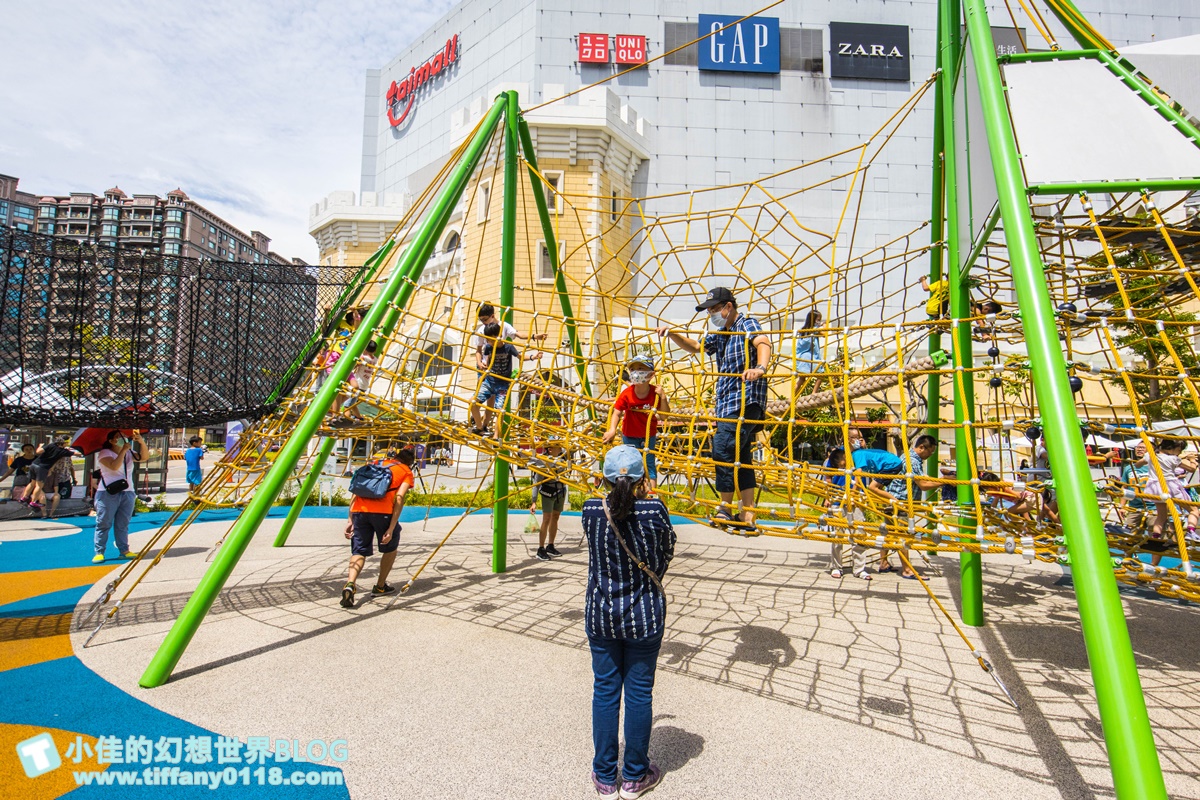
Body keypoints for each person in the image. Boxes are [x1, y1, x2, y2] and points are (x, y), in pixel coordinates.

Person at [581, 446, 675, 800]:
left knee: (605, 690)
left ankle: (606, 777)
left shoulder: (592, 509)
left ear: (603, 478)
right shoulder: (655, 510)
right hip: (644, 615)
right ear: (643, 480)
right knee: (639, 693)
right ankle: (634, 776)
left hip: (602, 613)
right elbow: (667, 550)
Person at [656, 286, 772, 530]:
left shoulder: (745, 324)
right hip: (728, 402)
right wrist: (672, 334)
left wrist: (760, 368)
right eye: (709, 311)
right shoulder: (721, 333)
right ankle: (748, 515)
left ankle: (725, 508)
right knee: (741, 455)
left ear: (728, 307)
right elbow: (697, 347)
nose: (711, 314)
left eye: (714, 309)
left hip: (745, 398)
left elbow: (762, 342)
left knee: (722, 448)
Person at [340, 447, 416, 608]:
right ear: (410, 462)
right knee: (390, 548)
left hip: (360, 511)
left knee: (359, 550)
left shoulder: (376, 463)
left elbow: (356, 489)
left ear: (395, 456)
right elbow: (400, 497)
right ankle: (380, 586)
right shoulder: (405, 471)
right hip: (384, 513)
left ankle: (350, 584)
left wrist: (350, 518)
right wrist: (391, 527)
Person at [601, 354, 672, 493]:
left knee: (649, 463)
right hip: (629, 435)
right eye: (633, 369)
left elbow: (664, 415)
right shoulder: (627, 393)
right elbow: (617, 412)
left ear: (651, 374)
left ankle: (650, 493)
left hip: (648, 436)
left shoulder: (654, 393)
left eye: (640, 368)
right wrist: (612, 430)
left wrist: (663, 397)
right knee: (629, 463)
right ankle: (630, 491)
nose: (635, 372)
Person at [880, 434, 941, 579]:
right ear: (921, 447)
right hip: (901, 503)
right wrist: (944, 482)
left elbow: (921, 479)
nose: (931, 455)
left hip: (891, 501)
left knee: (888, 534)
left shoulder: (906, 457)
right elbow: (924, 485)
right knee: (903, 536)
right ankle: (906, 569)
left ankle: (883, 563)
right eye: (930, 451)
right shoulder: (912, 461)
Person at [94, 429, 147, 563]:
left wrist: (141, 442)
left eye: (123, 436)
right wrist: (123, 450)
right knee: (104, 522)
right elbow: (113, 466)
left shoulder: (130, 452)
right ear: (111, 441)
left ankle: (124, 550)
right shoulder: (104, 453)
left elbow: (144, 457)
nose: (122, 438)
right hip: (108, 493)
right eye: (118, 437)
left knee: (123, 523)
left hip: (128, 491)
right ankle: (99, 551)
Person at [822, 448, 869, 580]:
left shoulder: (859, 455)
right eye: (853, 438)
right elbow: (828, 479)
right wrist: (828, 497)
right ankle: (836, 566)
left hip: (856, 499)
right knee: (838, 535)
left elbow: (861, 476)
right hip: (838, 499)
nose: (857, 441)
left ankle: (860, 569)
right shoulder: (836, 456)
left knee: (858, 534)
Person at [470, 322, 523, 435]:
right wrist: (483, 374)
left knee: (499, 411)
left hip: (502, 385)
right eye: (488, 340)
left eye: (492, 340)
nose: (490, 342)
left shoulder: (508, 347)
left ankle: (496, 437)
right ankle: (480, 428)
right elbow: (488, 362)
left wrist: (534, 356)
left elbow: (520, 356)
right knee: (472, 402)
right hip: (490, 382)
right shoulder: (489, 347)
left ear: (500, 335)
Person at [472, 303, 545, 372]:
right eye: (480, 320)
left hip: (501, 365)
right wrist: (479, 362)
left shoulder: (504, 326)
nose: (483, 322)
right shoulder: (481, 331)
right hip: (486, 365)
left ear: (493, 316)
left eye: (485, 319)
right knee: (482, 383)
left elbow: (519, 335)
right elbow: (478, 350)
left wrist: (534, 336)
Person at [529, 440, 569, 561]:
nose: (560, 448)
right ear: (550, 449)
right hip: (548, 492)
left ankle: (550, 545)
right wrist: (534, 501)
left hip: (560, 491)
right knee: (546, 518)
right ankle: (540, 548)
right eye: (557, 447)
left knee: (555, 517)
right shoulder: (543, 463)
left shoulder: (562, 460)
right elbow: (536, 483)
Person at [34, 437, 81, 519]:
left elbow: (71, 466)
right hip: (53, 476)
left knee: (63, 495)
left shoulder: (66, 453)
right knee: (46, 492)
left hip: (65, 477)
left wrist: (74, 478)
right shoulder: (55, 452)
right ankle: (45, 513)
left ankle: (53, 513)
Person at [1118, 441, 1150, 535]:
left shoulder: (1155, 467)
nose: (1139, 449)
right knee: (1130, 534)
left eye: (1143, 448)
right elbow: (1125, 487)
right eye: (1138, 447)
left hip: (1153, 506)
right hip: (1135, 507)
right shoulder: (1129, 468)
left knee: (1156, 535)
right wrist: (1122, 506)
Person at [342, 340, 378, 421]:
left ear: (364, 349)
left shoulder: (363, 358)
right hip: (364, 385)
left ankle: (346, 419)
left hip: (357, 384)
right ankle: (359, 417)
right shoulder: (375, 359)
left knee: (347, 405)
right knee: (352, 403)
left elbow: (355, 365)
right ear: (375, 351)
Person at [793, 309, 824, 394]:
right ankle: (814, 392)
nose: (819, 322)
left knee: (802, 379)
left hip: (802, 357)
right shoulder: (815, 330)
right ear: (813, 320)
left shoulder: (803, 330)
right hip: (810, 356)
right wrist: (823, 325)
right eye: (818, 320)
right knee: (821, 375)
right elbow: (825, 334)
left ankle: (792, 396)